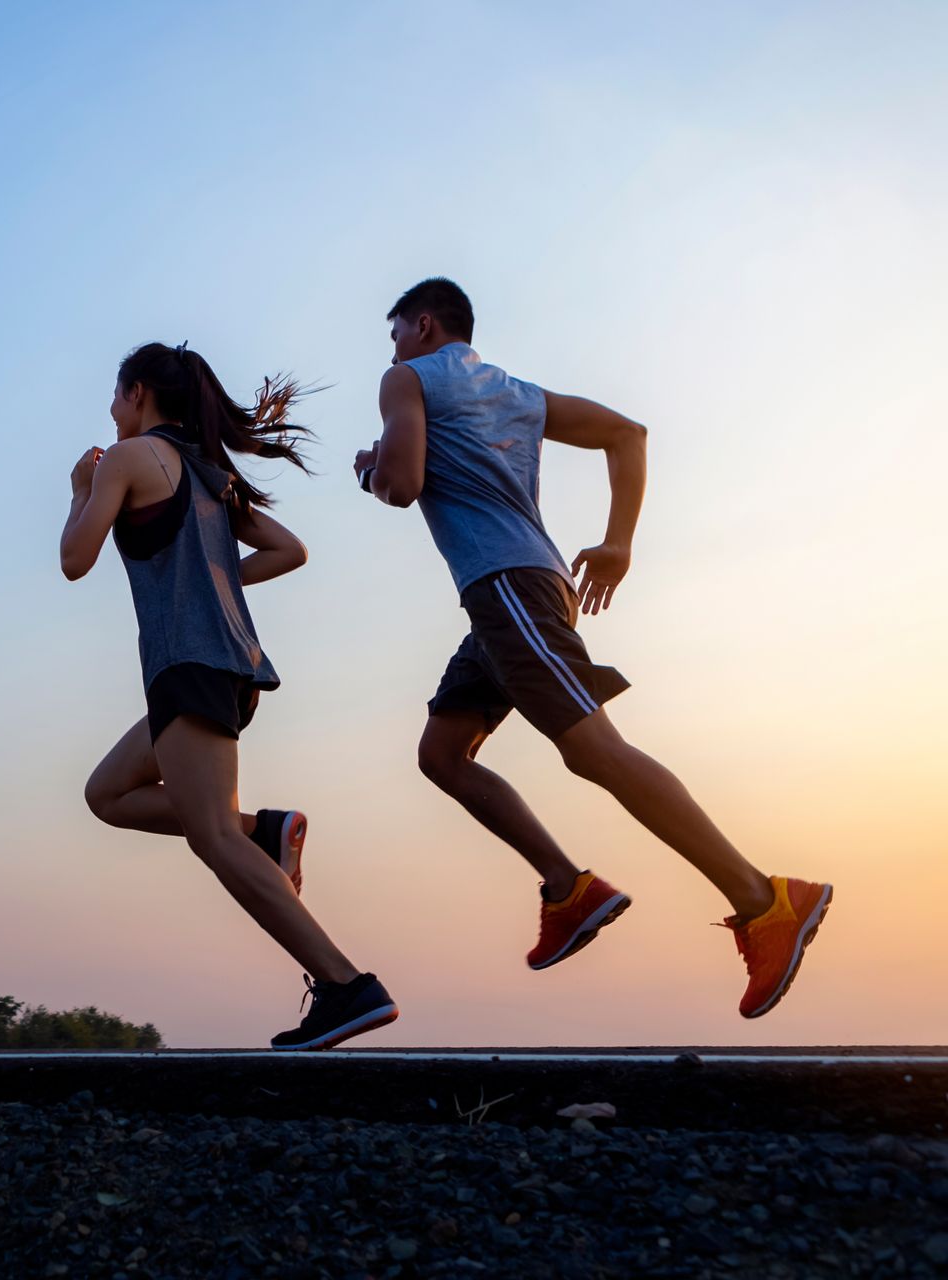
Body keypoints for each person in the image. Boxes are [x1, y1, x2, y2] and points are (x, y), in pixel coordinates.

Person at [355, 278, 831, 1018]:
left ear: (422, 324)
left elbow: (403, 483)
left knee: (594, 750)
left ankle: (765, 900)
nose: (390, 350)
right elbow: (626, 434)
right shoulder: (512, 391)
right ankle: (568, 889)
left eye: (394, 334)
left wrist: (374, 469)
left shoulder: (404, 380)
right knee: (442, 754)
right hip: (519, 591)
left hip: (507, 588)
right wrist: (618, 543)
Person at [64, 340, 398, 1050]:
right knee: (107, 795)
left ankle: (346, 987)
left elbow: (73, 559)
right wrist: (213, 579)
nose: (112, 410)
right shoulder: (210, 474)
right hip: (229, 667)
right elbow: (288, 549)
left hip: (189, 666)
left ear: (140, 394)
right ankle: (265, 833)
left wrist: (78, 491)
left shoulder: (128, 461)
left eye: (117, 396)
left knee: (209, 836)